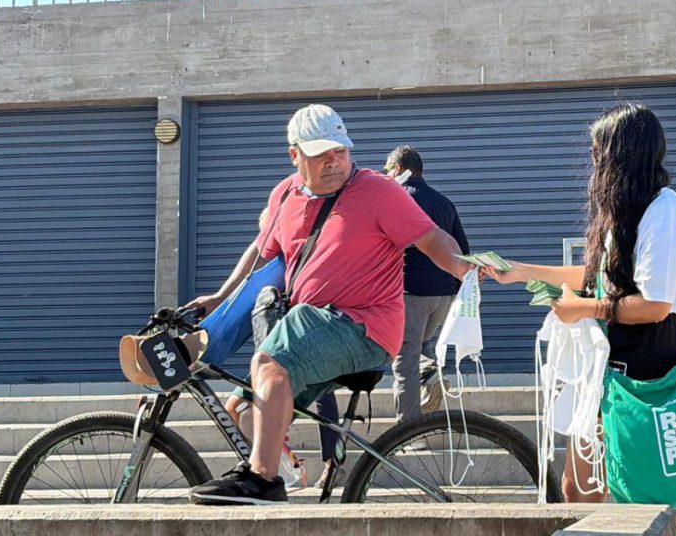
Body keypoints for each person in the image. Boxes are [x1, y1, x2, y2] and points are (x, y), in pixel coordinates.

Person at [187, 104, 473, 505]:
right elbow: (262, 253)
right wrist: (220, 296)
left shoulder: (378, 191)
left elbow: (432, 238)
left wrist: (465, 268)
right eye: (320, 154)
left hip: (365, 327)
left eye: (340, 151)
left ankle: (263, 480)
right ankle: (273, 475)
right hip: (316, 330)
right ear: (294, 156)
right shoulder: (284, 195)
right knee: (249, 405)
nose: (334, 161)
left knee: (271, 361)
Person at [485, 103, 676, 503]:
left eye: (601, 148)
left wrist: (586, 309)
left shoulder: (663, 211)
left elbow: (655, 305)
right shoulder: (625, 211)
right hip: (608, 356)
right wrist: (517, 270)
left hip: (647, 357)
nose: (593, 157)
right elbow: (597, 277)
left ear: (624, 152)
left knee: (634, 489)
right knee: (579, 488)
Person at [380, 145, 470, 424]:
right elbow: (462, 249)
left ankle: (407, 430)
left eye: (387, 171)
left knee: (404, 358)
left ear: (397, 169)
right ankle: (432, 376)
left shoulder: (398, 199)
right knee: (423, 344)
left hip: (411, 292)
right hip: (443, 294)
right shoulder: (444, 202)